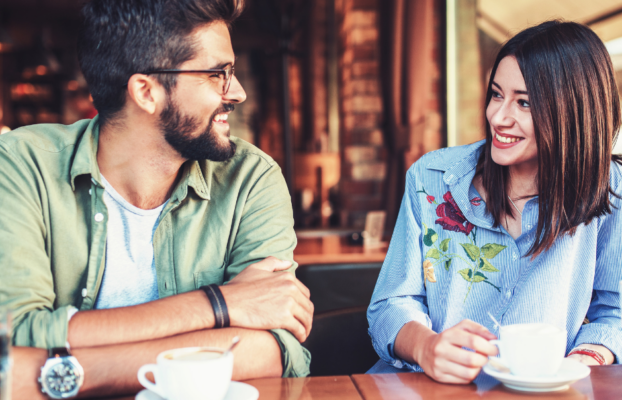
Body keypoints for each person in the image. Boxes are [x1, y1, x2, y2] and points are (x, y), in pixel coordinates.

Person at [0, 0, 313, 398]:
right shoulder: (22, 166)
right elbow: (14, 339)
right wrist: (218, 304)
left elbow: (274, 349)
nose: (238, 92)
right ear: (146, 92)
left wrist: (74, 371)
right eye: (218, 74)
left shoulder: (250, 178)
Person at [367, 20, 622, 383]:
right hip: (426, 389)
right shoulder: (432, 178)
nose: (498, 117)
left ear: (573, 112)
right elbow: (389, 305)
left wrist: (581, 360)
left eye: (524, 102)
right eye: (497, 94)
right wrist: (426, 347)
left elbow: (616, 312)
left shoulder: (610, 190)